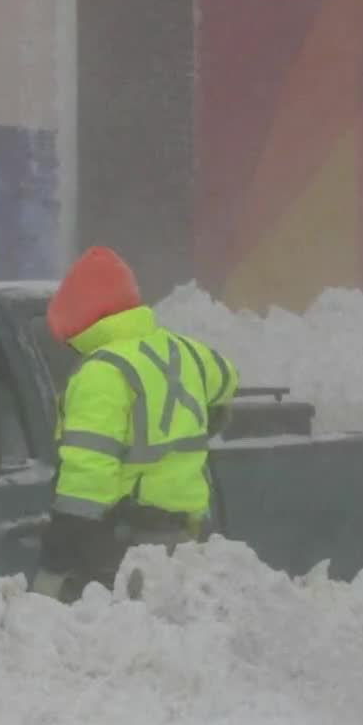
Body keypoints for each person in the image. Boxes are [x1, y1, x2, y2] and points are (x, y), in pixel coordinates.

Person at [31, 246, 239, 601]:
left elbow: (87, 478)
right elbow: (226, 380)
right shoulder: (184, 352)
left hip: (120, 547)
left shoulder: (101, 372)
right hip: (184, 538)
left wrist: (56, 557)